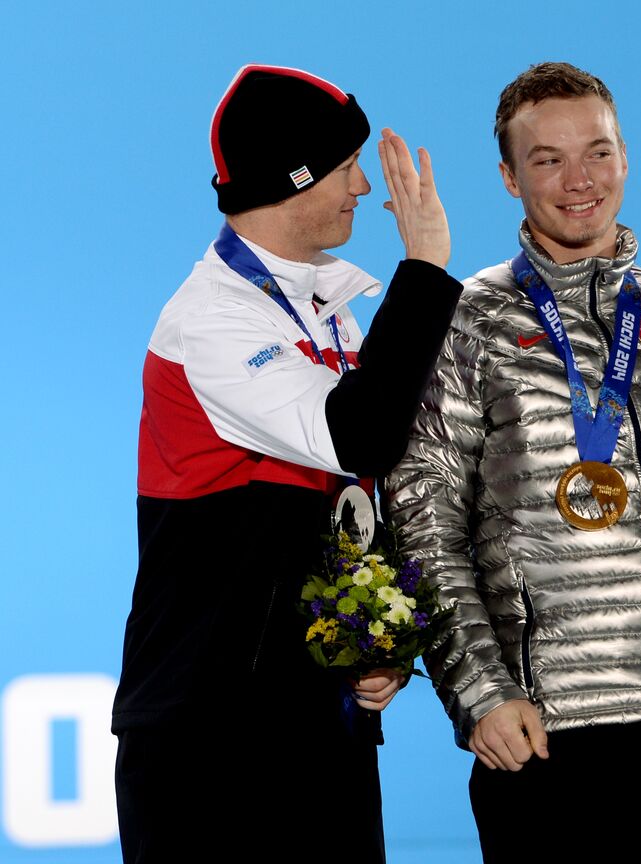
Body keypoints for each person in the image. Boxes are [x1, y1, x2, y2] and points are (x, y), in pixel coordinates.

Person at [382, 62, 641, 863]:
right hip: (548, 734)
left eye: (598, 152)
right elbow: (421, 521)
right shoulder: (467, 322)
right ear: (509, 176)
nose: (578, 180)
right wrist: (480, 690)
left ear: (626, 157)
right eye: (547, 160)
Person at [112, 64, 460, 863]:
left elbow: (339, 514)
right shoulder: (212, 318)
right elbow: (359, 436)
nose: (365, 188)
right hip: (211, 738)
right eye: (346, 169)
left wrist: (371, 647)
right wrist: (428, 267)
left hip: (312, 724)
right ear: (291, 178)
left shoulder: (320, 312)